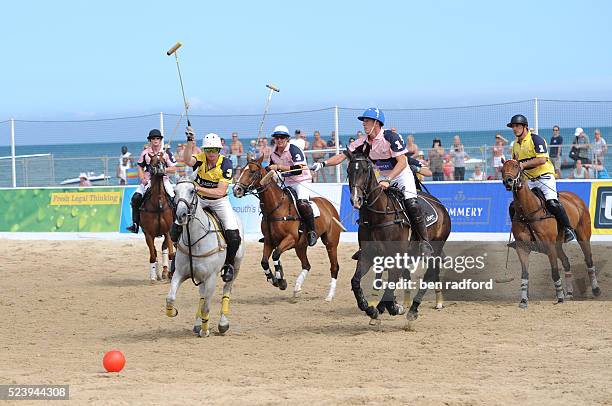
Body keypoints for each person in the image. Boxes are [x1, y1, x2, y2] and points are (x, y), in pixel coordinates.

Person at [310, 107, 433, 255]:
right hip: (381, 176)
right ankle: (365, 247)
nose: (364, 124)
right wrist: (322, 164)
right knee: (367, 202)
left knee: (411, 203)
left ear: (376, 122)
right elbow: (342, 157)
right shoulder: (362, 142)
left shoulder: (391, 137)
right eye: (364, 121)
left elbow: (401, 162)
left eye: (366, 121)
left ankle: (424, 242)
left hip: (400, 174)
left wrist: (388, 179)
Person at [178, 128, 240, 282]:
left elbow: (220, 192)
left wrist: (198, 188)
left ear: (219, 150)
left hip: (219, 202)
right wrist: (190, 143)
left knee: (233, 235)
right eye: (208, 150)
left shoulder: (226, 164)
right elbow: (186, 160)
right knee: (176, 225)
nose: (211, 153)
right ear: (204, 150)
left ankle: (229, 264)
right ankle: (177, 261)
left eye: (214, 150)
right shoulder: (201, 158)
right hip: (200, 199)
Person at [508, 114, 575, 242]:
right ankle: (519, 234)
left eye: (517, 126)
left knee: (552, 203)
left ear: (525, 127)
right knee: (513, 206)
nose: (514, 129)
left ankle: (567, 230)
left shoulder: (536, 139)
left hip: (545, 177)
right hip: (529, 180)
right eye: (513, 126)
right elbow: (516, 163)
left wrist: (523, 165)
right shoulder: (516, 145)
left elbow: (542, 159)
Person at [268, 125, 318, 246]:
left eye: (282, 137)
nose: (279, 140)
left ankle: (312, 231)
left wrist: (279, 167)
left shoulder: (294, 150)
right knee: (271, 201)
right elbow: (270, 169)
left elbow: (298, 170)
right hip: (285, 182)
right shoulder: (273, 154)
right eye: (277, 137)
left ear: (287, 139)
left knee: (302, 203)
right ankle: (271, 232)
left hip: (301, 180)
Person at [126, 129, 177, 233]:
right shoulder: (145, 153)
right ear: (150, 140)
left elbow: (174, 168)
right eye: (153, 138)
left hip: (164, 180)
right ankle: (135, 224)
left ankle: (176, 224)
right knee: (135, 198)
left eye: (157, 138)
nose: (155, 140)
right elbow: (140, 167)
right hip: (149, 180)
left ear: (160, 140)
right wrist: (142, 178)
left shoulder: (166, 153)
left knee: (174, 199)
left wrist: (164, 170)